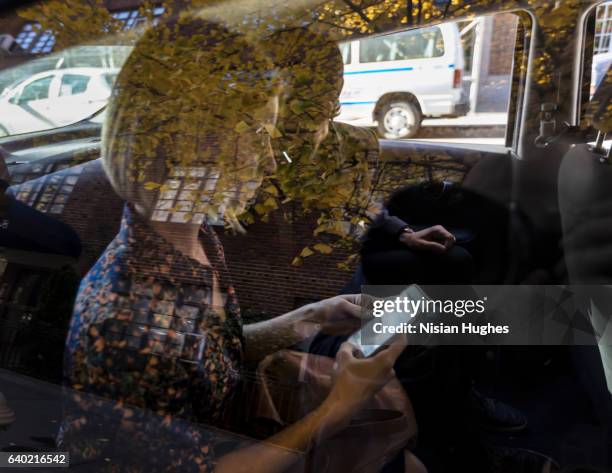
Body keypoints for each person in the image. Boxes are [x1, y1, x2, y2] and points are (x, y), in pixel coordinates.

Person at [59, 16, 419, 473]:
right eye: (255, 138)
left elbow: (209, 353)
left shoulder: (194, 236)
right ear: (185, 144)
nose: (270, 163)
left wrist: (310, 317)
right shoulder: (135, 321)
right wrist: (340, 406)